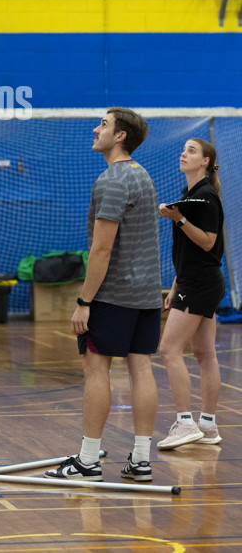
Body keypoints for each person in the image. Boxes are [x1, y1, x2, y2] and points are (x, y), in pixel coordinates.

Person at [45, 108, 162, 483]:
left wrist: (84, 302)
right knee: (141, 368)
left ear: (121, 136)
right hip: (145, 294)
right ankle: (141, 460)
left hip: (114, 295)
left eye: (104, 125)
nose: (96, 129)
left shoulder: (112, 180)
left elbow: (101, 249)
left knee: (97, 369)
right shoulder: (142, 175)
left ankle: (88, 461)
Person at [157, 138, 225, 449]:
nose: (184, 153)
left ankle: (185, 423)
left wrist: (179, 219)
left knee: (169, 350)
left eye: (192, 150)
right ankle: (208, 426)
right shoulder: (191, 195)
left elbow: (208, 243)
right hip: (195, 282)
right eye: (183, 149)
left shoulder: (206, 197)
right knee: (204, 354)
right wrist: (175, 285)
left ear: (206, 162)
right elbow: (188, 252)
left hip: (200, 284)